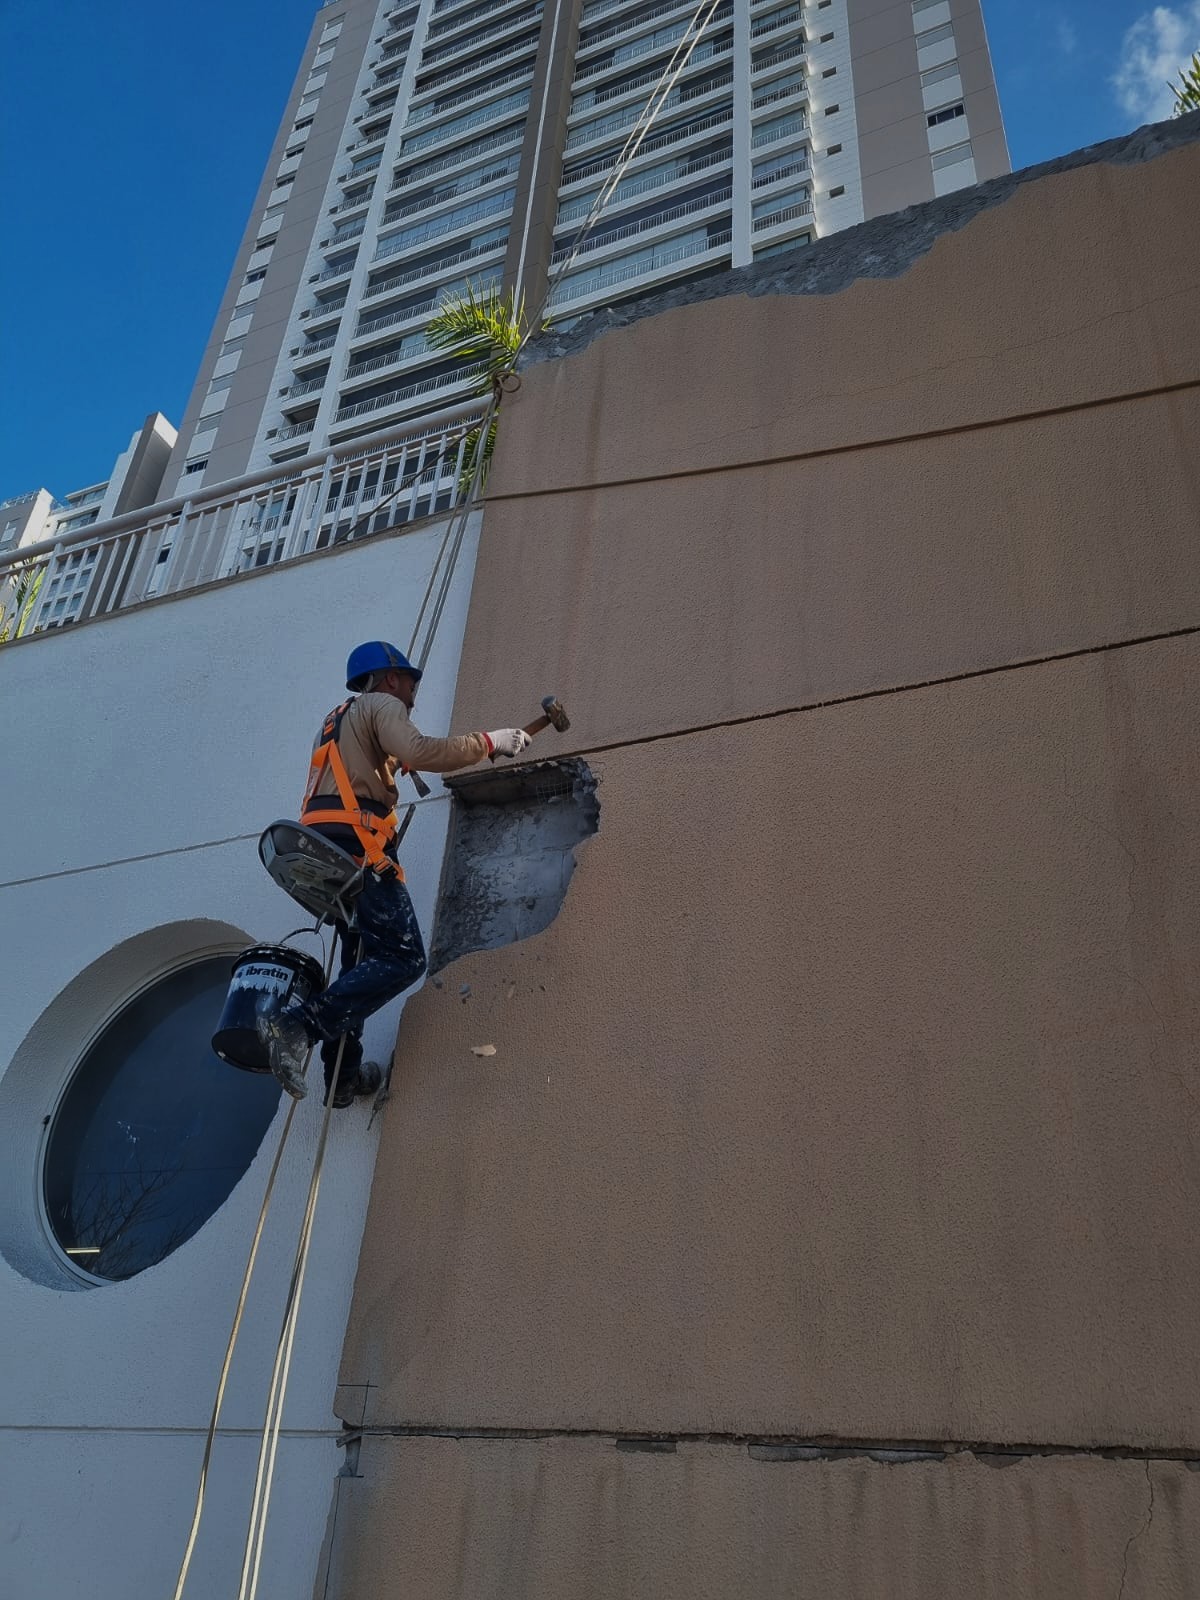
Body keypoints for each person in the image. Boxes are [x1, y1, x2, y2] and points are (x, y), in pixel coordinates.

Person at [259, 640, 530, 1107]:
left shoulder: (339, 717)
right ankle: (298, 1026)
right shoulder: (381, 705)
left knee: (362, 961)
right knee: (404, 958)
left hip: (324, 846)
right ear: (388, 679)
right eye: (410, 681)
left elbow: (374, 764)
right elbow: (422, 750)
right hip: (359, 849)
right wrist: (490, 742)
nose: (413, 693)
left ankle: (341, 1076)